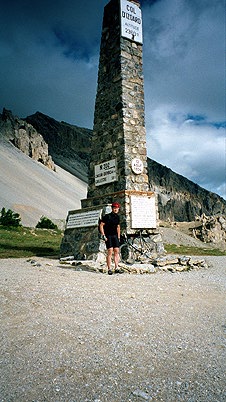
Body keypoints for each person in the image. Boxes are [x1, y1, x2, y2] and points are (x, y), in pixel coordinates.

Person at [99, 202, 122, 275]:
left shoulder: (117, 217)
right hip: (108, 235)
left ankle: (116, 267)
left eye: (117, 208)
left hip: (115, 235)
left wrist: (118, 236)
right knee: (110, 251)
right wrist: (103, 235)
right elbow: (101, 225)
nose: (116, 209)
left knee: (116, 251)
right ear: (112, 208)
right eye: (114, 208)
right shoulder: (107, 216)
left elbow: (118, 227)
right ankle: (109, 268)